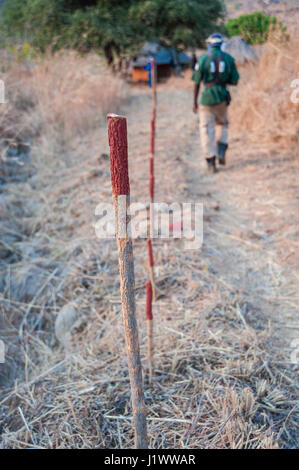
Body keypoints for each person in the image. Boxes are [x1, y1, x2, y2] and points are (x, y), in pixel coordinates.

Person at [192, 33, 239, 173]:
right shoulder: (229, 58)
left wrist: (194, 102)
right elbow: (235, 80)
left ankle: (211, 161)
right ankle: (222, 147)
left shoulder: (203, 58)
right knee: (223, 124)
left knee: (206, 129)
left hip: (206, 99)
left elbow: (196, 82)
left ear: (209, 44)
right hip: (222, 98)